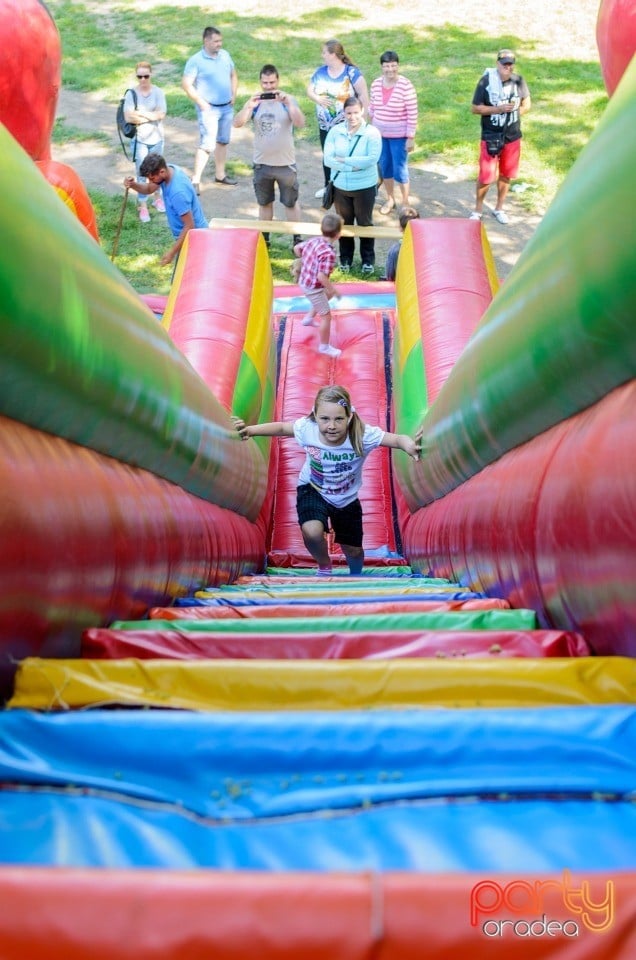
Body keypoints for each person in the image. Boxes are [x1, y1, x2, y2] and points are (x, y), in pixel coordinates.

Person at [232, 385, 422, 575]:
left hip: (346, 498)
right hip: (312, 488)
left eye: (339, 419)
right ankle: (324, 565)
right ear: (315, 415)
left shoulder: (362, 435)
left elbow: (396, 439)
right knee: (311, 532)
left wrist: (409, 445)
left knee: (353, 551)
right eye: (324, 419)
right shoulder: (308, 429)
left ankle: (356, 575)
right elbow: (282, 427)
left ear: (349, 417)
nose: (331, 426)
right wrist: (250, 431)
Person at [233, 64, 305, 249]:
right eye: (265, 83)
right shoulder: (255, 102)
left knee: (290, 203)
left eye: (272, 82)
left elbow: (300, 123)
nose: (269, 87)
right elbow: (237, 123)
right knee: (264, 203)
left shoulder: (288, 100)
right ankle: (264, 239)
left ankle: (297, 238)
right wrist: (249, 107)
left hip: (285, 163)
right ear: (260, 82)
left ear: (278, 80)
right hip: (262, 163)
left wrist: (289, 104)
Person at [470, 48, 531, 225]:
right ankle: (478, 209)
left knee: (506, 174)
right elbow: (475, 108)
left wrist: (514, 113)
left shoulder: (518, 81)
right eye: (504, 64)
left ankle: (499, 208)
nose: (508, 67)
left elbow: (527, 104)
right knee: (486, 176)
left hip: (512, 136)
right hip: (490, 135)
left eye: (510, 64)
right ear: (497, 64)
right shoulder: (486, 82)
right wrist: (498, 110)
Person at [323, 96, 382, 274]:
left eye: (356, 112)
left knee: (365, 223)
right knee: (344, 224)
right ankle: (346, 258)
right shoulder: (335, 131)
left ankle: (367, 260)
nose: (352, 116)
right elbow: (328, 159)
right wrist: (353, 166)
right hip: (341, 186)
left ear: (362, 111)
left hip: (364, 186)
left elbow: (371, 160)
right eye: (348, 113)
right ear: (344, 113)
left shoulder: (372, 133)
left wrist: (345, 160)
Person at [306, 39, 369, 196]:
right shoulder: (320, 72)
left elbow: (363, 95)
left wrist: (363, 120)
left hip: (347, 125)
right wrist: (318, 99)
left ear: (333, 55)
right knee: (328, 155)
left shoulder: (351, 73)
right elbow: (309, 90)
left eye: (324, 52)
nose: (322, 55)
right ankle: (329, 187)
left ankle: (346, 187)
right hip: (325, 125)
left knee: (345, 155)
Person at [182, 25, 238, 192]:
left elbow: (233, 75)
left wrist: (233, 94)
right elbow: (186, 84)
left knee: (222, 141)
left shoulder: (225, 55)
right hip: (209, 109)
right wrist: (200, 101)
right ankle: (196, 179)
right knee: (207, 144)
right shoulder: (196, 61)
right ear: (206, 41)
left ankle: (220, 175)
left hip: (226, 107)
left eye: (220, 41)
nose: (219, 44)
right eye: (215, 41)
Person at [124, 154, 208, 266]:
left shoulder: (177, 193)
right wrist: (133, 185)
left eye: (152, 178)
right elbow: (149, 189)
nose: (151, 181)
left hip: (195, 239)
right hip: (188, 237)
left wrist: (172, 253)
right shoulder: (169, 169)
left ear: (162, 172)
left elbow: (189, 226)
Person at [369, 51, 418, 215]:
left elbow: (412, 113)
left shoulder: (406, 85)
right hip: (380, 135)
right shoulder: (376, 84)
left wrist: (410, 137)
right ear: (382, 67)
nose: (390, 69)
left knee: (400, 169)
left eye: (393, 65)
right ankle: (390, 199)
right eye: (386, 66)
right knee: (385, 167)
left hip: (399, 137)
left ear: (397, 65)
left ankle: (405, 202)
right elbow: (372, 108)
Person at [293, 212, 343, 357]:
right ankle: (324, 346)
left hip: (305, 280)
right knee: (326, 316)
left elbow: (297, 248)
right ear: (338, 234)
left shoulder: (314, 241)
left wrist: (306, 259)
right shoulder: (328, 253)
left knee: (326, 295)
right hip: (313, 288)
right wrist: (333, 289)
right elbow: (321, 276)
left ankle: (308, 318)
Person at [123, 62, 167, 223]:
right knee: (142, 174)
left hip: (156, 138)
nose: (143, 79)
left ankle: (157, 197)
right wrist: (151, 115)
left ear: (151, 75)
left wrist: (140, 114)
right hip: (140, 140)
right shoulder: (131, 94)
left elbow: (161, 115)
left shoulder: (158, 92)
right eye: (139, 76)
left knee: (157, 172)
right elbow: (128, 117)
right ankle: (143, 205)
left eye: (146, 76)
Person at [384, 205, 420, 281]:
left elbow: (390, 274)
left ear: (400, 228)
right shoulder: (424, 247)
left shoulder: (396, 250)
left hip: (401, 284)